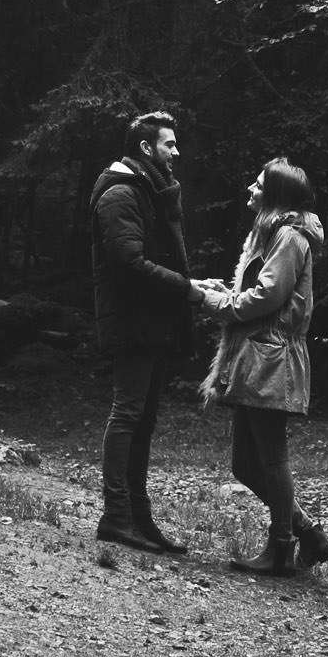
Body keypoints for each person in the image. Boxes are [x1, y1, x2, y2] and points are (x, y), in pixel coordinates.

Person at [201, 157, 328, 578]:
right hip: (259, 353)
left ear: (275, 196)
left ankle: (282, 546)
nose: (250, 189)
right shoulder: (275, 234)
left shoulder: (290, 238)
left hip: (272, 356)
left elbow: (267, 297)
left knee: (271, 456)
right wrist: (228, 292)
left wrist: (215, 303)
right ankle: (308, 535)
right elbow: (263, 291)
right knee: (244, 463)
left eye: (258, 185)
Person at [90, 108, 216, 554]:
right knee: (128, 414)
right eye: (169, 144)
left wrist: (191, 285)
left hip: (153, 320)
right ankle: (116, 517)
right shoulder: (120, 194)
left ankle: (139, 519)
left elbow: (154, 259)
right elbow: (128, 265)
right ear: (146, 148)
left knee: (143, 419)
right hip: (133, 321)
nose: (176, 152)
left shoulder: (146, 188)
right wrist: (188, 290)